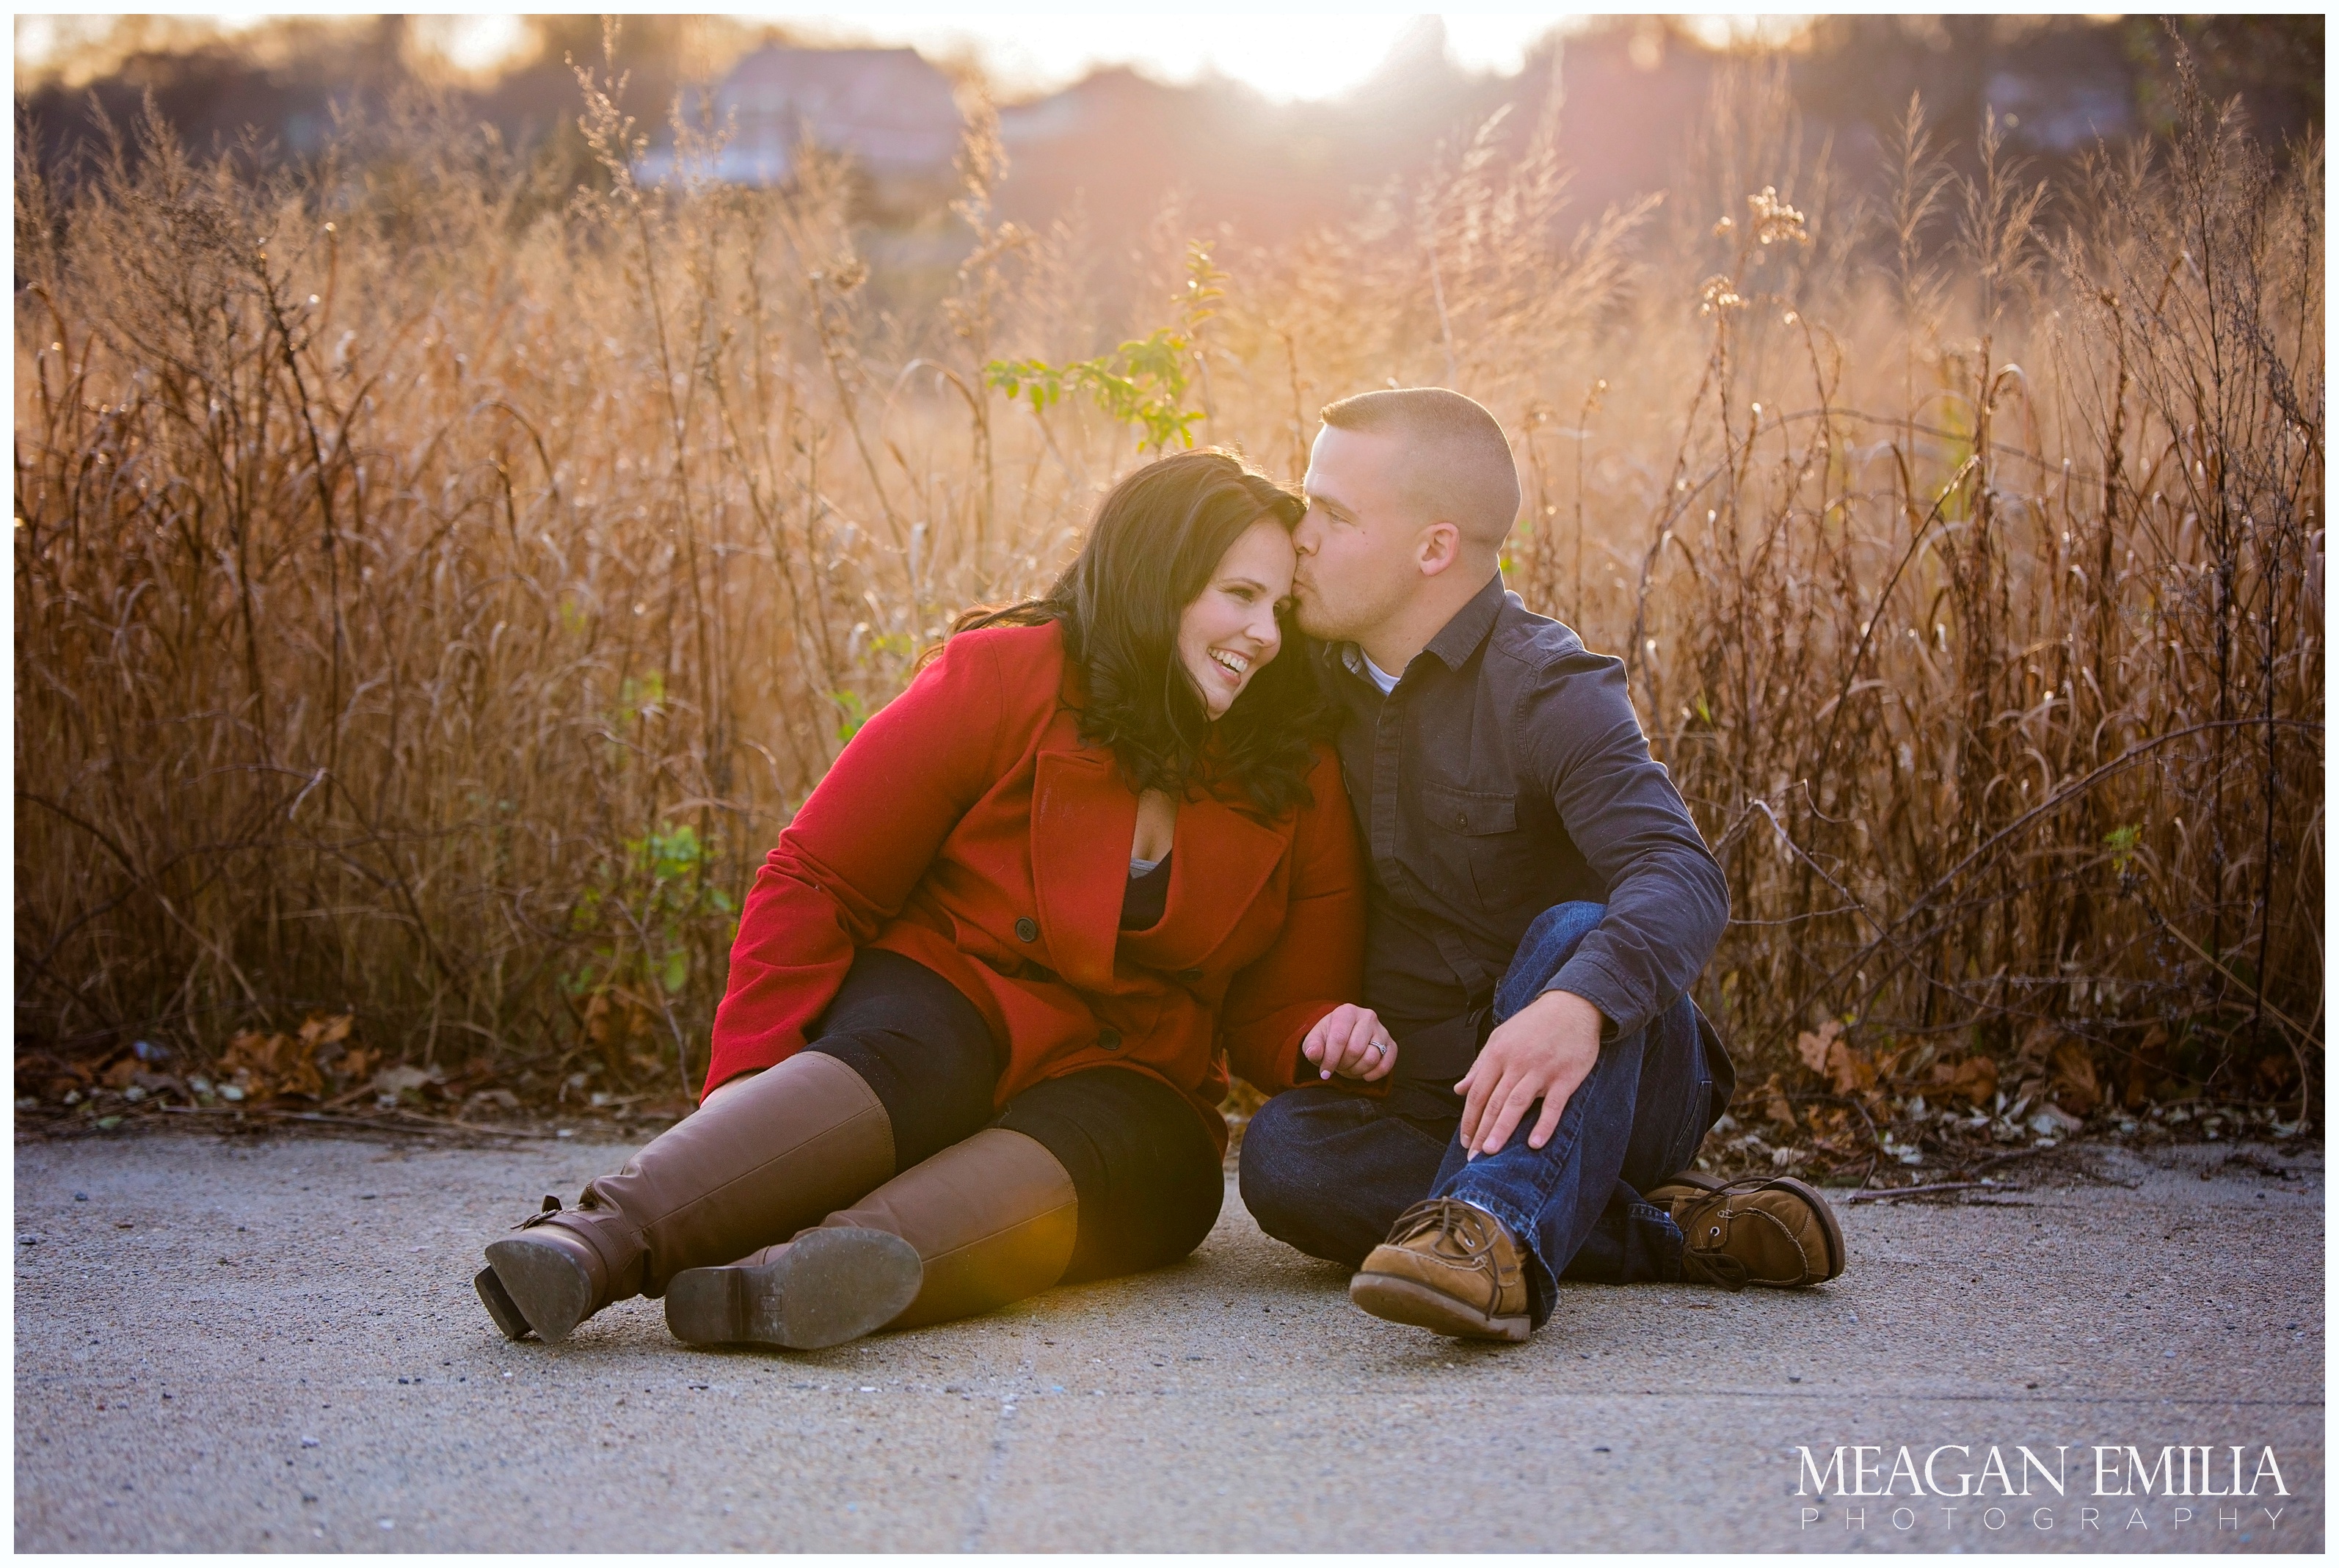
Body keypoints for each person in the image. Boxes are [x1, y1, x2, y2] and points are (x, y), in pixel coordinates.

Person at [472, 450, 1392, 1351]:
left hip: (1132, 1080)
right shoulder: (1008, 674)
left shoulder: (1294, 771)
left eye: (1281, 609)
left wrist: (1320, 1032)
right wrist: (744, 1083)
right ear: (1159, 578)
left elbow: (1282, 1006)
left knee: (1131, 1163)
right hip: (943, 1005)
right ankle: (589, 1241)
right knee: (917, 1059)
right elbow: (818, 876)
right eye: (1239, 596)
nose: (1265, 635)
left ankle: (799, 1277)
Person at [1237, 387, 1847, 1343]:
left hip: (1613, 1070)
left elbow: (1676, 871)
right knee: (1283, 1158)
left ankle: (1487, 1238)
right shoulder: (1295, 676)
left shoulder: (1548, 684)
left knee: (1572, 930)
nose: (1297, 536)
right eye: (1303, 502)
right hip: (1436, 1098)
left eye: (1334, 514)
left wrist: (1573, 1005)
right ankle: (1659, 1230)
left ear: (1433, 548)